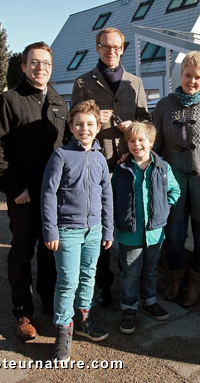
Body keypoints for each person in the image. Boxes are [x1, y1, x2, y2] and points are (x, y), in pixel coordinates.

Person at [0, 41, 68, 342]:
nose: (40, 68)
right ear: (23, 66)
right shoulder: (9, 101)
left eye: (45, 63)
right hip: (23, 194)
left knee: (50, 249)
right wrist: (14, 187)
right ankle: (22, 312)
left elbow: (67, 146)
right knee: (22, 251)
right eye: (34, 62)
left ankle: (49, 300)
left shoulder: (58, 101)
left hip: (53, 196)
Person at [71, 27, 150, 307]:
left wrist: (135, 126)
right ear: (97, 48)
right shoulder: (82, 84)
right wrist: (99, 122)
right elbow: (74, 125)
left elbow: (147, 124)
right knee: (97, 229)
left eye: (117, 47)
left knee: (128, 227)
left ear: (123, 49)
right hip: (97, 166)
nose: (111, 51)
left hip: (129, 167)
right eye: (105, 46)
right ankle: (102, 286)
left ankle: (135, 284)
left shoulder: (135, 83)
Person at [152, 50, 200, 308]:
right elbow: (156, 145)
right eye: (188, 75)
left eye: (197, 77)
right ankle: (176, 280)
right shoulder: (164, 105)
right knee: (173, 236)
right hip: (173, 185)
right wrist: (160, 176)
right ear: (180, 74)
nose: (192, 81)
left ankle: (194, 286)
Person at [40, 99, 114, 362]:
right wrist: (50, 230)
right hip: (67, 232)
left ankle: (84, 319)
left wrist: (108, 230)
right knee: (67, 282)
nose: (85, 129)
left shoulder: (100, 158)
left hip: (94, 231)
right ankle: (63, 331)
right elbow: (48, 193)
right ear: (71, 127)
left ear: (98, 127)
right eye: (79, 124)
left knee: (88, 277)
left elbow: (107, 194)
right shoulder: (61, 155)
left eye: (90, 124)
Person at [113, 122, 180, 333]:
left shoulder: (163, 167)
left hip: (154, 232)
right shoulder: (121, 168)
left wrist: (164, 209)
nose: (136, 145)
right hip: (129, 233)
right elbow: (111, 195)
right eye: (131, 141)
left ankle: (149, 301)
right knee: (130, 272)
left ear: (151, 142)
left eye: (141, 140)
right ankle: (129, 307)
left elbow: (174, 191)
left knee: (151, 270)